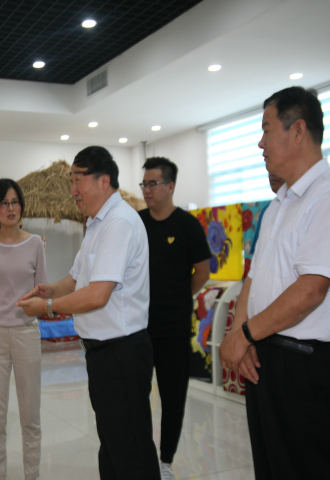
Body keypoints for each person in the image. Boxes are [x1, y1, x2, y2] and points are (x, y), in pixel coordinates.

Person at [219, 87, 330, 480]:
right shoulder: (280, 205)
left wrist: (245, 334)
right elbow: (254, 276)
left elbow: (310, 291)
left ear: (298, 130)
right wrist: (241, 333)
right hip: (267, 358)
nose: (260, 143)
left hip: (307, 366)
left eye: (266, 130)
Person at [17, 146, 161, 480]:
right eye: (71, 181)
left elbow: (97, 295)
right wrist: (50, 290)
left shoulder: (119, 222)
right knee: (112, 447)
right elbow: (76, 279)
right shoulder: (97, 224)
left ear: (103, 180)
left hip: (122, 353)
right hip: (102, 355)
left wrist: (48, 308)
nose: (73, 190)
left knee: (132, 452)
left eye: (78, 180)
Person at [138, 157, 211, 479]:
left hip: (175, 329)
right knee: (136, 398)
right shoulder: (136, 223)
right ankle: (142, 458)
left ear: (170, 187)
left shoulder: (188, 225)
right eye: (144, 184)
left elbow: (202, 272)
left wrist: (179, 298)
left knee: (173, 399)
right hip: (139, 328)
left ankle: (165, 461)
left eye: (152, 184)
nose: (147, 190)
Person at [0, 178, 47, 480]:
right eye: (4, 203)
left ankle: (33, 475)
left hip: (27, 333)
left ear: (21, 206)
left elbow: (42, 292)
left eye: (15, 202)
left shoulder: (35, 244)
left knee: (31, 417)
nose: (10, 208)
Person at [250, 173, 284, 253]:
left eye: (278, 168)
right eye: (269, 171)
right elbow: (257, 255)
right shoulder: (266, 210)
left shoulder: (306, 205)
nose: (272, 174)